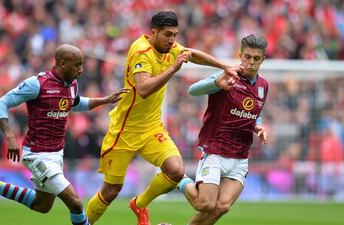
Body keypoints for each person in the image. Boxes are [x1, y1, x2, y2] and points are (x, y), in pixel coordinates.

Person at [85, 11, 241, 225]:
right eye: (168, 35)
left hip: (151, 128)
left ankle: (139, 204)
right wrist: (174, 67)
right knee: (111, 190)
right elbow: (143, 89)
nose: (172, 40)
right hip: (125, 130)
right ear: (153, 33)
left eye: (175, 35)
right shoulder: (141, 51)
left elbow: (191, 54)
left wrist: (224, 66)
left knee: (176, 170)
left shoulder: (170, 48)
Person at [0, 44, 129, 225]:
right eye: (77, 65)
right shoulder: (37, 84)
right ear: (62, 64)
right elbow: (0, 105)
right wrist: (11, 137)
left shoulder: (72, 84)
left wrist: (105, 100)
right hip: (37, 155)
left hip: (56, 154)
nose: (81, 70)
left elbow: (74, 103)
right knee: (75, 203)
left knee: (42, 205)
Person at [177, 34, 269, 225]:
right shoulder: (228, 75)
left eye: (256, 58)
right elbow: (192, 90)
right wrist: (215, 83)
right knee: (205, 204)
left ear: (263, 59)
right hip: (216, 150)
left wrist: (258, 126)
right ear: (240, 55)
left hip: (241, 156)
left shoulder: (263, 86)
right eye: (247, 57)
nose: (251, 62)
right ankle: (176, 178)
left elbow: (253, 111)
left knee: (222, 207)